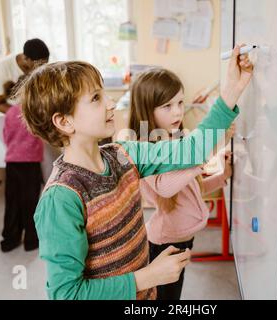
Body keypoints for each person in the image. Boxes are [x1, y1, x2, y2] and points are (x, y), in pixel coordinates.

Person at [18, 44, 253, 300]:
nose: (110, 103)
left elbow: (191, 151)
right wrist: (150, 276)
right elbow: (67, 294)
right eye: (96, 98)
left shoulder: (124, 154)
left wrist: (232, 90)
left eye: (104, 94)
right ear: (64, 121)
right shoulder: (61, 198)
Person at [128, 68, 236, 300]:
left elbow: (194, 189)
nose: (177, 111)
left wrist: (221, 176)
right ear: (148, 110)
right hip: (163, 242)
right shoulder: (144, 150)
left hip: (183, 238)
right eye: (167, 106)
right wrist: (207, 153)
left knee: (174, 293)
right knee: (164, 298)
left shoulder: (176, 141)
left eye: (179, 102)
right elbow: (166, 187)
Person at [0, 77, 44, 252]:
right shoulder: (34, 112)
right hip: (30, 163)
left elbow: (6, 136)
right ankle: (31, 241)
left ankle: (9, 239)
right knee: (31, 202)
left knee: (12, 202)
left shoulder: (10, 112)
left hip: (12, 162)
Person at [0, 38, 50, 114]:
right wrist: (24, 115)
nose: (42, 68)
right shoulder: (1, 68)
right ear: (26, 58)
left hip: (30, 117)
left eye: (45, 64)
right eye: (39, 65)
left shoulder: (38, 68)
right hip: (6, 117)